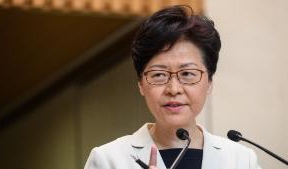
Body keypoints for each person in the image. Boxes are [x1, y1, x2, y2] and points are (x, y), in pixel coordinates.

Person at [84, 5, 261, 169]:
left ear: (209, 83)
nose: (174, 89)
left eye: (187, 74)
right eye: (159, 75)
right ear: (141, 85)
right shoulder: (108, 160)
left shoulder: (241, 160)